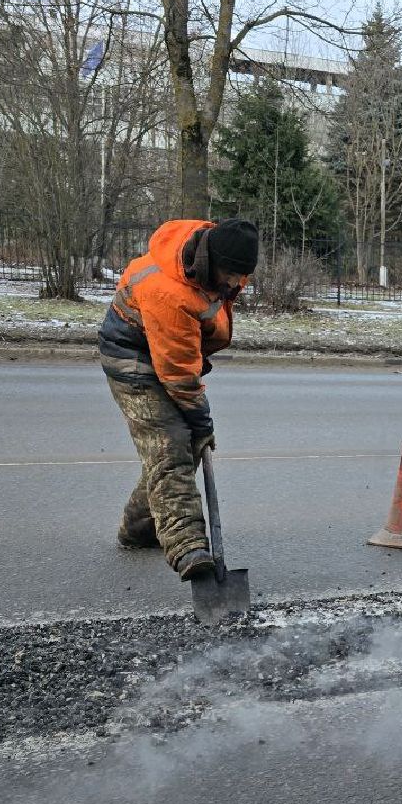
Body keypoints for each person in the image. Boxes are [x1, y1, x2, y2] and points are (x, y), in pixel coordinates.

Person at [98, 218, 258, 581]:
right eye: (231, 275)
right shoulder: (168, 290)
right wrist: (201, 419)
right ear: (211, 261)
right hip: (131, 358)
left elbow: (183, 359)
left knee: (174, 450)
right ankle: (188, 546)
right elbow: (177, 374)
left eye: (241, 276)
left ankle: (139, 529)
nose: (235, 284)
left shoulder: (215, 256)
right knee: (169, 446)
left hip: (170, 353)